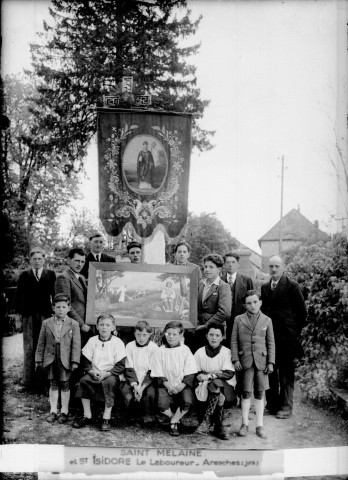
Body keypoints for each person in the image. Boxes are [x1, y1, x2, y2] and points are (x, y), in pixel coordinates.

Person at [261, 255, 307, 419]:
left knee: (286, 373)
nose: (274, 269)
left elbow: (302, 313)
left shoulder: (292, 286)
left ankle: (286, 407)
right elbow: (264, 312)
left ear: (283, 268)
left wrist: (294, 332)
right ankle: (272, 405)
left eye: (277, 266)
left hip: (287, 337)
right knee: (271, 371)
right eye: (271, 266)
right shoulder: (265, 287)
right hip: (270, 337)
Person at [231, 290, 275, 439]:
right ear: (244, 305)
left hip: (261, 362)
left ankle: (259, 425)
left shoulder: (267, 320)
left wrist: (271, 362)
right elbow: (234, 341)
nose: (252, 305)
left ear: (260, 302)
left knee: (260, 392)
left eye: (255, 302)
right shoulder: (239, 319)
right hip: (245, 361)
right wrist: (236, 359)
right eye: (249, 303)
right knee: (245, 392)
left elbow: (271, 343)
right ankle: (244, 423)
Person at [73, 313, 126, 431]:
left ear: (113, 327)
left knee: (110, 383)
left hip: (110, 373)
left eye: (107, 325)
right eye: (101, 324)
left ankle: (106, 417)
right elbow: (85, 362)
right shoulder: (92, 341)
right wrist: (92, 372)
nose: (104, 327)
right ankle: (87, 415)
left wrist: (106, 374)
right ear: (97, 327)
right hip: (94, 372)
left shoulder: (117, 342)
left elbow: (120, 365)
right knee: (84, 381)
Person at [14, 247, 56, 391]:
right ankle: (27, 382)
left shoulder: (50, 274)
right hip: (28, 316)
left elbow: (55, 296)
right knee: (29, 347)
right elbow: (18, 297)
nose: (37, 261)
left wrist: (55, 314)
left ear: (44, 259)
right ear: (30, 260)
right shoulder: (24, 275)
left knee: (44, 346)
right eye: (34, 259)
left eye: (40, 258)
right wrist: (19, 318)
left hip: (45, 315)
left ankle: (43, 382)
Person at [35, 294, 81, 424]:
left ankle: (64, 411)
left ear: (68, 308)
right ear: (53, 308)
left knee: (65, 383)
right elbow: (41, 342)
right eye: (58, 307)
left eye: (64, 307)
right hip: (51, 357)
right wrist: (39, 359)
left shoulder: (74, 324)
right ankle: (53, 410)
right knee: (53, 383)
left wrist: (74, 361)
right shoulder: (46, 323)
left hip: (65, 358)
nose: (61, 309)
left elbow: (76, 345)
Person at [150, 321, 197, 436]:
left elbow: (190, 371)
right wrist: (167, 385)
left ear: (181, 335)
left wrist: (182, 385)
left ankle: (173, 422)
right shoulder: (160, 351)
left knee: (187, 402)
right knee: (161, 405)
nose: (171, 337)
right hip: (166, 384)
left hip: (182, 384)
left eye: (174, 334)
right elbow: (157, 371)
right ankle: (174, 418)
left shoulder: (185, 350)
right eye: (168, 334)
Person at [194, 322, 236, 440]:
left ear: (222, 337)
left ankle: (207, 420)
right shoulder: (200, 352)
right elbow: (195, 372)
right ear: (206, 336)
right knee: (219, 395)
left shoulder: (226, 352)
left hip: (225, 386)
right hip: (205, 387)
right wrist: (200, 377)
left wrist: (210, 376)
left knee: (216, 384)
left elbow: (228, 373)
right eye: (211, 334)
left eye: (217, 335)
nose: (214, 338)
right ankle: (219, 425)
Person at [119, 321, 158, 425]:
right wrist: (136, 386)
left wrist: (142, 388)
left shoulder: (153, 348)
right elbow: (129, 367)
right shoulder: (130, 346)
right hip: (132, 378)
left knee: (150, 393)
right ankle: (128, 416)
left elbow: (152, 369)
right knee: (125, 391)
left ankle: (148, 416)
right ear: (134, 334)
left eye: (144, 335)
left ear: (150, 334)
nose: (141, 338)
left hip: (147, 379)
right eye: (138, 335)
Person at [195, 254, 231, 352]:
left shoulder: (223, 287)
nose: (207, 269)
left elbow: (225, 313)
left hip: (215, 332)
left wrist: (206, 325)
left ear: (219, 270)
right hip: (199, 331)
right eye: (205, 267)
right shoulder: (201, 284)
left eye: (211, 267)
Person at [55, 248, 90, 345]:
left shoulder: (81, 277)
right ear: (69, 260)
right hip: (72, 325)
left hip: (84, 325)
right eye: (77, 261)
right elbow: (65, 306)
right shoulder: (63, 277)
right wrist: (81, 324)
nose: (80, 264)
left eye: (82, 261)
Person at [221, 252, 254, 344]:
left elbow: (252, 302)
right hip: (224, 323)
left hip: (242, 322)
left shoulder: (247, 280)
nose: (230, 265)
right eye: (227, 262)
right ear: (224, 265)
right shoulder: (219, 280)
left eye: (233, 262)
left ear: (238, 264)